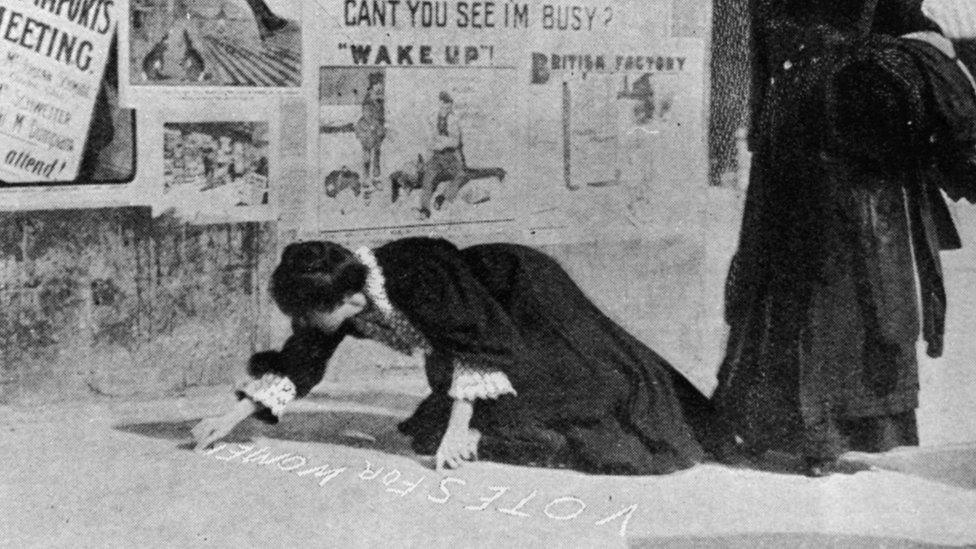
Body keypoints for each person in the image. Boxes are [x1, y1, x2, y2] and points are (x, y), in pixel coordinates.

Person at [715, 0, 976, 476]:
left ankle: (789, 430)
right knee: (843, 285)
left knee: (813, 286)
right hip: (839, 129)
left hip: (808, 127)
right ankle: (831, 434)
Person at [193, 237, 714, 474]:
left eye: (308, 316)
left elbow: (478, 339)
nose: (302, 326)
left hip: (522, 297)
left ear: (349, 300)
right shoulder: (342, 294)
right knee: (430, 432)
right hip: (477, 325)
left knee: (591, 400)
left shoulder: (416, 276)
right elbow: (302, 358)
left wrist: (462, 425)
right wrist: (232, 414)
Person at [417, 92, 468, 219]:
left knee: (462, 175)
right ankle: (424, 209)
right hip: (436, 156)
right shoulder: (431, 117)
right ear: (439, 104)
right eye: (444, 107)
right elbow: (429, 140)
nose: (446, 110)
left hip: (450, 156)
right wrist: (441, 141)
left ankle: (443, 197)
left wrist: (440, 141)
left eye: (449, 108)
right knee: (427, 178)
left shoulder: (454, 119)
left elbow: (455, 141)